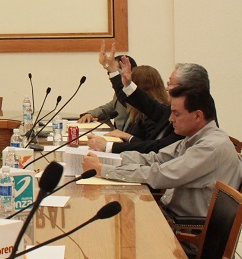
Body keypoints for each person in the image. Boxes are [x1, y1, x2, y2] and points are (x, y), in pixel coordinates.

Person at [83, 86, 242, 218]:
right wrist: (106, 159)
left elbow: (160, 174)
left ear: (198, 116)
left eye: (176, 114)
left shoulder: (210, 147)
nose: (170, 119)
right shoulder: (194, 138)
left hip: (186, 229)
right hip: (171, 214)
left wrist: (104, 170)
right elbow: (154, 159)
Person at [78, 54, 137, 131]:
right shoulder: (119, 94)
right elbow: (107, 109)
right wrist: (90, 114)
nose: (110, 76)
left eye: (114, 71)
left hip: (128, 136)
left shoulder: (134, 95)